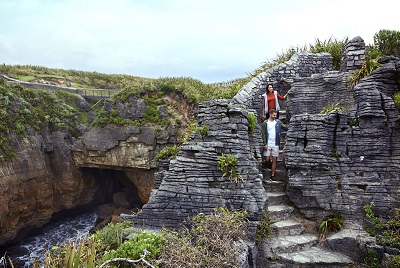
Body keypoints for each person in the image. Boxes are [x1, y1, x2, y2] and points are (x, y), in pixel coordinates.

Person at [261, 109, 288, 180]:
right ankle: (270, 165)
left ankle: (272, 175)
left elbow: (285, 128)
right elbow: (263, 133)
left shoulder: (278, 122)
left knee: (275, 160)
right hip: (268, 144)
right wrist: (264, 144)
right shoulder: (265, 123)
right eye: (274, 115)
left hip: (275, 144)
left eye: (276, 115)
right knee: (267, 159)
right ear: (270, 114)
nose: (275, 116)